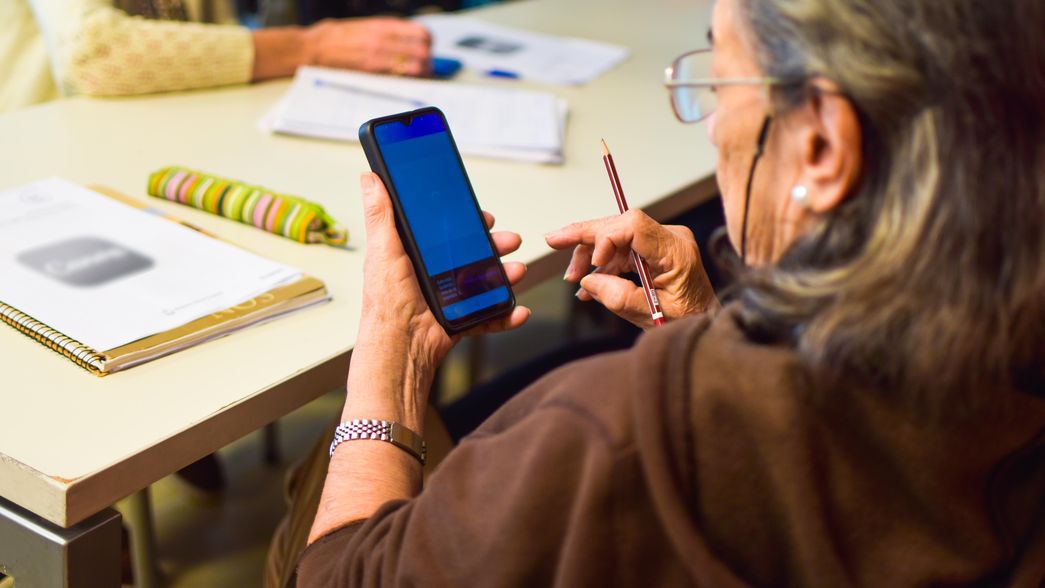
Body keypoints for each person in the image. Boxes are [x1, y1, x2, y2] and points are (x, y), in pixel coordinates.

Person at [281, 0, 1044, 584]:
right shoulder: (1003, 372)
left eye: (721, 82)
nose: (709, 126)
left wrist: (392, 347)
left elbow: (340, 573)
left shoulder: (615, 435)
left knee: (327, 470)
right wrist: (708, 323)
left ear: (819, 146)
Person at [0, 0, 431, 112]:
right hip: (48, 160)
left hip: (171, 127)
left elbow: (217, 35)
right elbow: (96, 56)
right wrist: (310, 47)